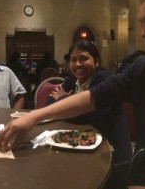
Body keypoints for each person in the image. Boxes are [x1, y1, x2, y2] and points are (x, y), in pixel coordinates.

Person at [0, 0, 145, 188]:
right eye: (142, 23)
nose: (144, 33)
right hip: (140, 178)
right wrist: (34, 116)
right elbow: (96, 96)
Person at [46, 40, 132, 189]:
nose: (78, 64)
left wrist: (62, 99)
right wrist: (64, 105)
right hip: (83, 146)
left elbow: (85, 115)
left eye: (84, 58)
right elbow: (48, 103)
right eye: (73, 60)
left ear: (97, 61)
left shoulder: (105, 81)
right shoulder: (73, 80)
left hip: (111, 155)